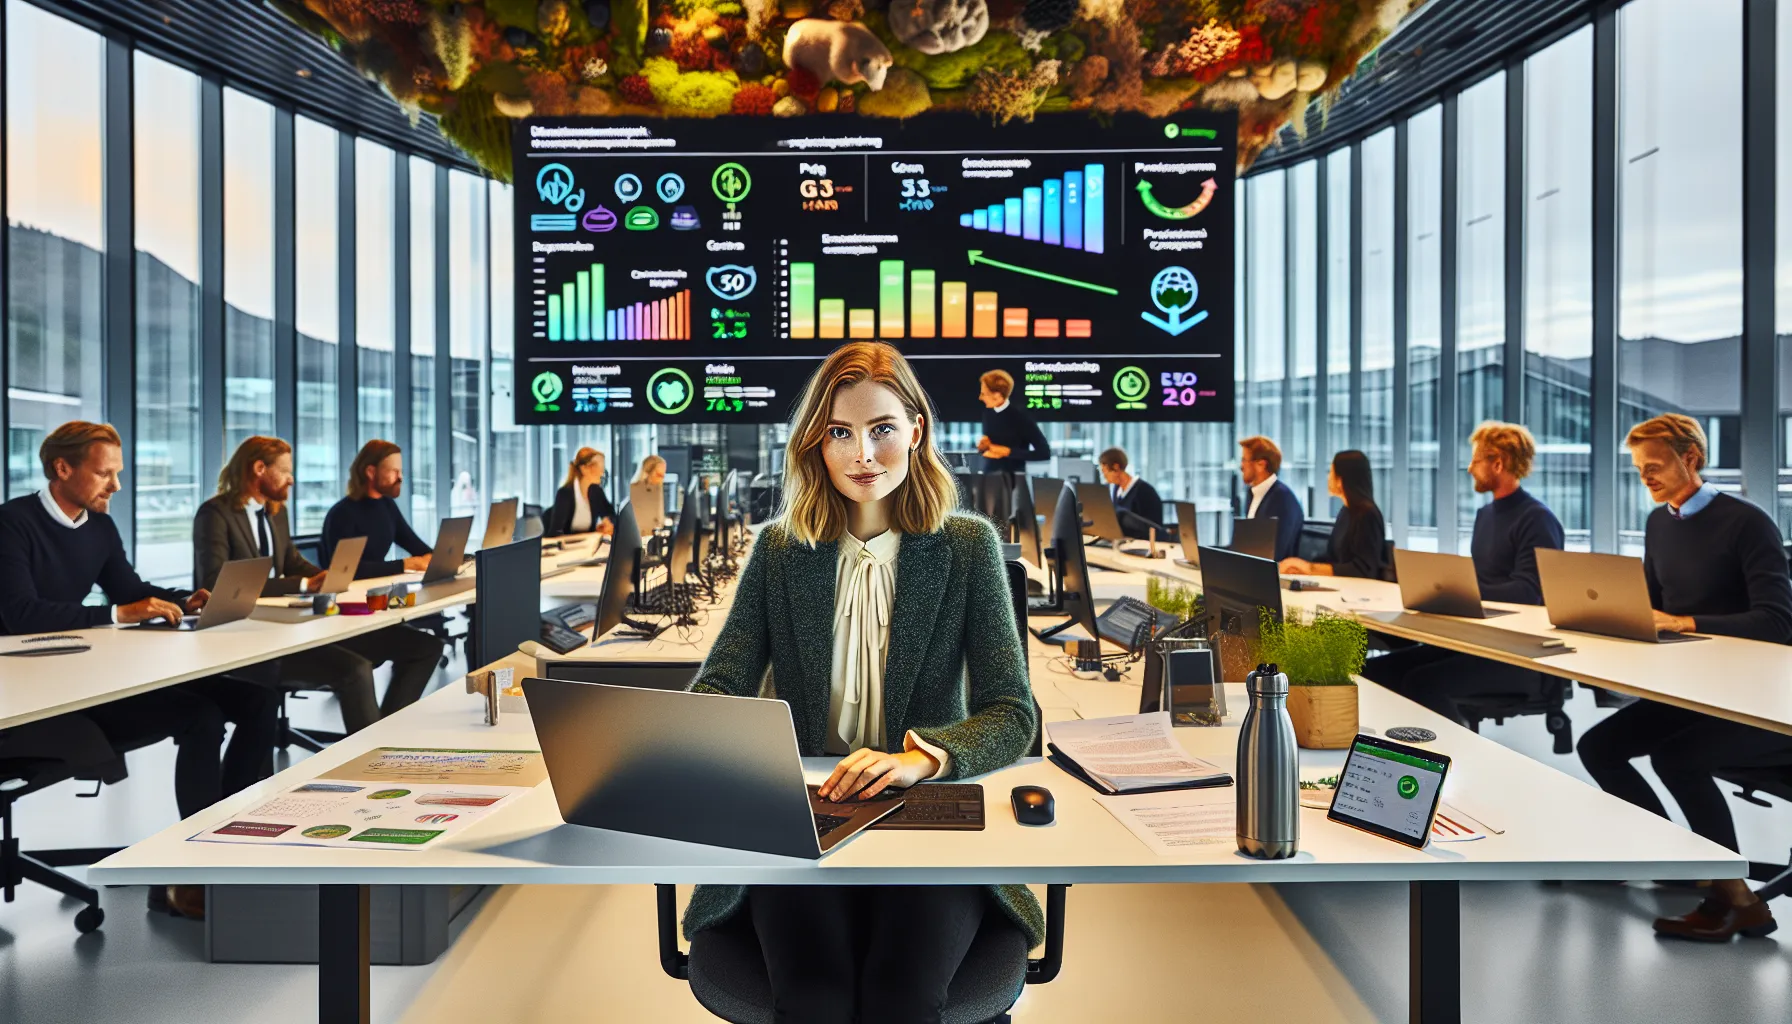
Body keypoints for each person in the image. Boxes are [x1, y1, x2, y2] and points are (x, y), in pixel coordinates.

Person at [682, 342, 1041, 1022]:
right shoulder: (782, 549)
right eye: (840, 434)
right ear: (816, 445)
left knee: (901, 995)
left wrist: (921, 759)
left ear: (916, 431)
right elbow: (722, 681)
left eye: (881, 430)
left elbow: (1012, 712)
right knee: (812, 997)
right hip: (804, 817)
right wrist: (712, 739)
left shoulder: (967, 546)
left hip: (924, 814)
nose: (863, 455)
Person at [0, 422, 280, 918]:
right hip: (28, 696)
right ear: (62, 468)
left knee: (256, 700)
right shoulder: (11, 523)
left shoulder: (99, 527)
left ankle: (226, 842)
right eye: (104, 473)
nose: (115, 486)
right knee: (201, 716)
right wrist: (117, 614)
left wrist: (181, 600)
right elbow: (21, 615)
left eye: (118, 474)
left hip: (84, 678)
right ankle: (192, 874)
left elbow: (128, 589)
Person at [1576, 414, 1792, 943]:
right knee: (1600, 747)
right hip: (1697, 690)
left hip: (1760, 699)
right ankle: (1675, 858)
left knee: (1677, 758)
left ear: (1690, 457)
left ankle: (1733, 899)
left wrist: (1686, 623)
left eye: (1653, 466)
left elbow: (1777, 622)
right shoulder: (1659, 523)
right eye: (1639, 469)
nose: (1644, 477)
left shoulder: (1747, 523)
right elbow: (1652, 607)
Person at [195, 436, 442, 733]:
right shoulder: (215, 514)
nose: (291, 479)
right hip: (252, 641)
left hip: (295, 627)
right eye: (285, 471)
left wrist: (329, 577)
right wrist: (303, 584)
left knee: (424, 646)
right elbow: (215, 583)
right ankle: (373, 752)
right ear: (259, 469)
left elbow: (291, 560)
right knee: (356, 670)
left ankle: (386, 735)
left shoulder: (275, 511)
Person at [1360, 422, 1565, 723]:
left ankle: (1452, 752)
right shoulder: (1486, 515)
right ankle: (1392, 748)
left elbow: (1528, 592)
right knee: (1374, 672)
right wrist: (1450, 590)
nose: (1470, 468)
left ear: (1498, 464)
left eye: (1476, 460)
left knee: (1421, 683)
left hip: (1517, 656)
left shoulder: (1537, 519)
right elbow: (1484, 581)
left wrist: (1462, 591)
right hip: (1475, 641)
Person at [322, 439, 434, 579]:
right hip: (348, 590)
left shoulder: (387, 505)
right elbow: (348, 570)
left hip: (376, 586)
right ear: (371, 472)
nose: (400, 477)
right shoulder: (343, 514)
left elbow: (416, 546)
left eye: (401, 471)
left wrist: (433, 557)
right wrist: (404, 565)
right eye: (394, 471)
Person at [1279, 451, 1387, 579]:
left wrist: (1310, 568)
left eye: (1331, 472)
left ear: (1341, 480)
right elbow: (1332, 558)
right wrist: (1301, 568)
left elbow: (1362, 569)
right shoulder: (1346, 511)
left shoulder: (1368, 515)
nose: (1328, 478)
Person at [1238, 435, 1304, 561]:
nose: (1241, 467)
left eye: (1244, 460)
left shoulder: (1282, 499)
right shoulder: (1252, 494)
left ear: (1261, 465)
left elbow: (1273, 554)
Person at [975, 369, 1050, 474]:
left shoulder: (1021, 417)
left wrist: (1008, 452)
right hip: (989, 476)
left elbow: (1044, 453)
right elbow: (990, 449)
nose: (980, 397)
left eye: (984, 393)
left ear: (997, 395)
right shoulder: (988, 414)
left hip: (1014, 478)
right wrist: (984, 446)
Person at [545, 446, 616, 537]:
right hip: (567, 545)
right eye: (598, 467)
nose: (602, 472)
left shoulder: (596, 492)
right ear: (584, 469)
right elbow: (555, 533)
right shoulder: (565, 494)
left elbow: (611, 514)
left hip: (588, 544)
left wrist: (607, 522)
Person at [1099, 447, 1165, 540]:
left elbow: (1153, 528)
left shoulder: (1145, 491)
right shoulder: (1116, 491)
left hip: (1142, 543)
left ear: (1116, 467)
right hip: (1122, 541)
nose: (1104, 476)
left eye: (1104, 471)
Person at [631, 454, 669, 532]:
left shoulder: (658, 489)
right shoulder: (634, 491)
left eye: (663, 475)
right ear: (647, 472)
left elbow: (659, 519)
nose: (661, 479)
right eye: (659, 475)